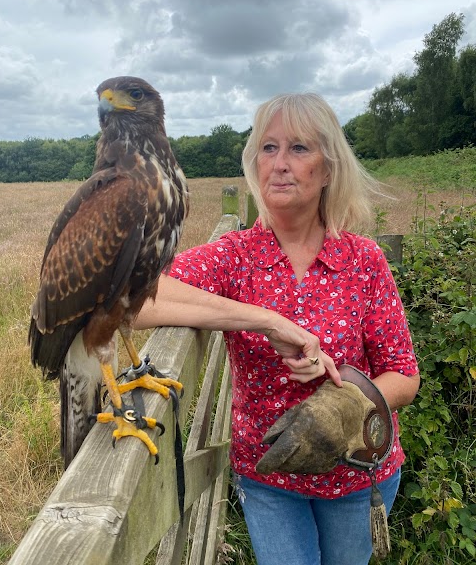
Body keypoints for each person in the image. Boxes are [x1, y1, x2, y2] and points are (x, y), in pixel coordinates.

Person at [135, 93, 420, 565]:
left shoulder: (363, 260)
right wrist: (266, 320)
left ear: (328, 169)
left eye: (299, 149)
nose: (280, 164)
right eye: (269, 148)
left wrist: (340, 403)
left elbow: (404, 376)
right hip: (269, 479)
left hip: (356, 474)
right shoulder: (234, 256)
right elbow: (130, 302)